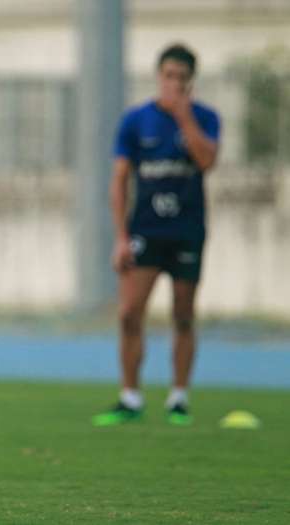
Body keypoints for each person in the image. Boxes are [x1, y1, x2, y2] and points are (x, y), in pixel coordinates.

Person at [92, 44, 220, 427]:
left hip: (186, 231)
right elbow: (119, 181)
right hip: (145, 230)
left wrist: (184, 117)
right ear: (158, 76)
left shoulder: (205, 118)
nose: (174, 83)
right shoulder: (135, 121)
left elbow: (207, 161)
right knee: (130, 313)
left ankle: (178, 399)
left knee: (183, 315)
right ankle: (130, 398)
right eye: (168, 76)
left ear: (191, 81)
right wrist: (120, 236)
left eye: (182, 78)